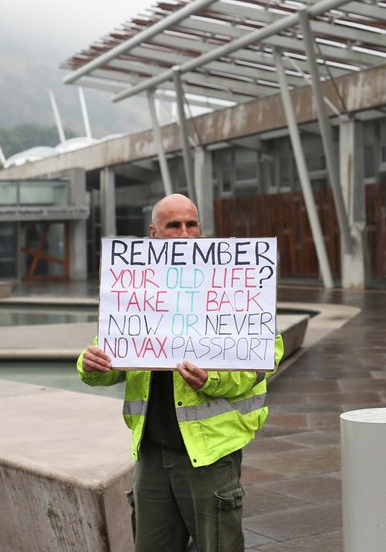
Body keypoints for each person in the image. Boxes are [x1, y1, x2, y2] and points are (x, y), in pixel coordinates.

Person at [78, 193, 282, 552]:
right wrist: (90, 363)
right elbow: (108, 361)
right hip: (152, 454)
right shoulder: (136, 286)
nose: (185, 233)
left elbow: (262, 357)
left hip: (210, 453)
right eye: (174, 225)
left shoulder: (232, 280)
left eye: (192, 224)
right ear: (153, 233)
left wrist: (212, 379)